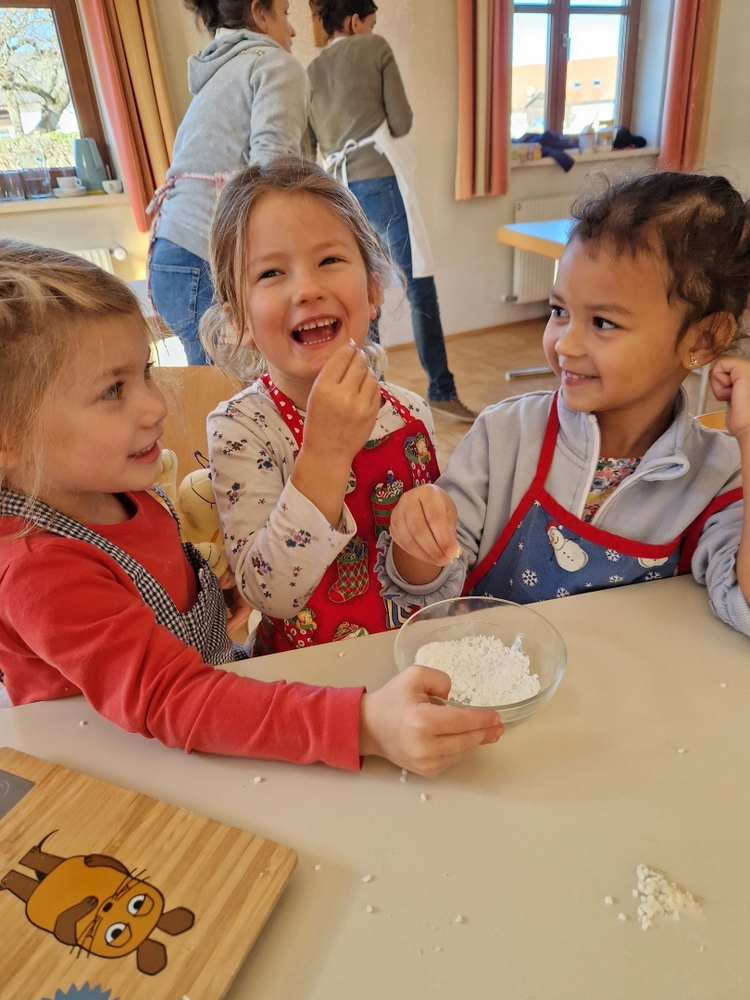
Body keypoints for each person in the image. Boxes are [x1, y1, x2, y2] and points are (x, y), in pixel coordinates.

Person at [0, 240, 502, 774]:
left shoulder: (110, 485)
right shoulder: (39, 571)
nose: (155, 405)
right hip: (118, 773)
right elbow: (173, 697)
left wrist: (210, 594)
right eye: (112, 391)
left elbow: (151, 588)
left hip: (208, 725)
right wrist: (362, 726)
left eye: (145, 372)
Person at [379, 172, 750, 639]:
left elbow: (743, 607)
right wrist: (418, 538)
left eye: (603, 322)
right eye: (559, 312)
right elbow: (425, 592)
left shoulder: (721, 476)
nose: (564, 344)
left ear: (703, 339)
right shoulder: (504, 434)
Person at [204, 159, 444, 653]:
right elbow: (271, 596)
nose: (308, 289)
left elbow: (424, 585)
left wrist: (425, 544)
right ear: (238, 321)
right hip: (304, 681)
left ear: (373, 290)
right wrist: (327, 454)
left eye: (329, 260)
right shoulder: (240, 430)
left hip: (404, 662)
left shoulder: (411, 414)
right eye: (271, 272)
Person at [306, 0, 476, 422]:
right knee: (418, 285)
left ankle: (372, 396)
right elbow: (401, 121)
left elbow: (309, 147)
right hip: (380, 182)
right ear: (354, 21)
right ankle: (441, 389)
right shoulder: (374, 47)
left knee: (362, 293)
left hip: (338, 192)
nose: (371, 28)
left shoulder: (310, 71)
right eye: (370, 22)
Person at [148, 0, 307, 365]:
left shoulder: (217, 75)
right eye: (285, 13)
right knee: (239, 390)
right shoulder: (276, 65)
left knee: (215, 387)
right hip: (204, 258)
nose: (292, 30)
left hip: (170, 252)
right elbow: (273, 174)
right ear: (260, 14)